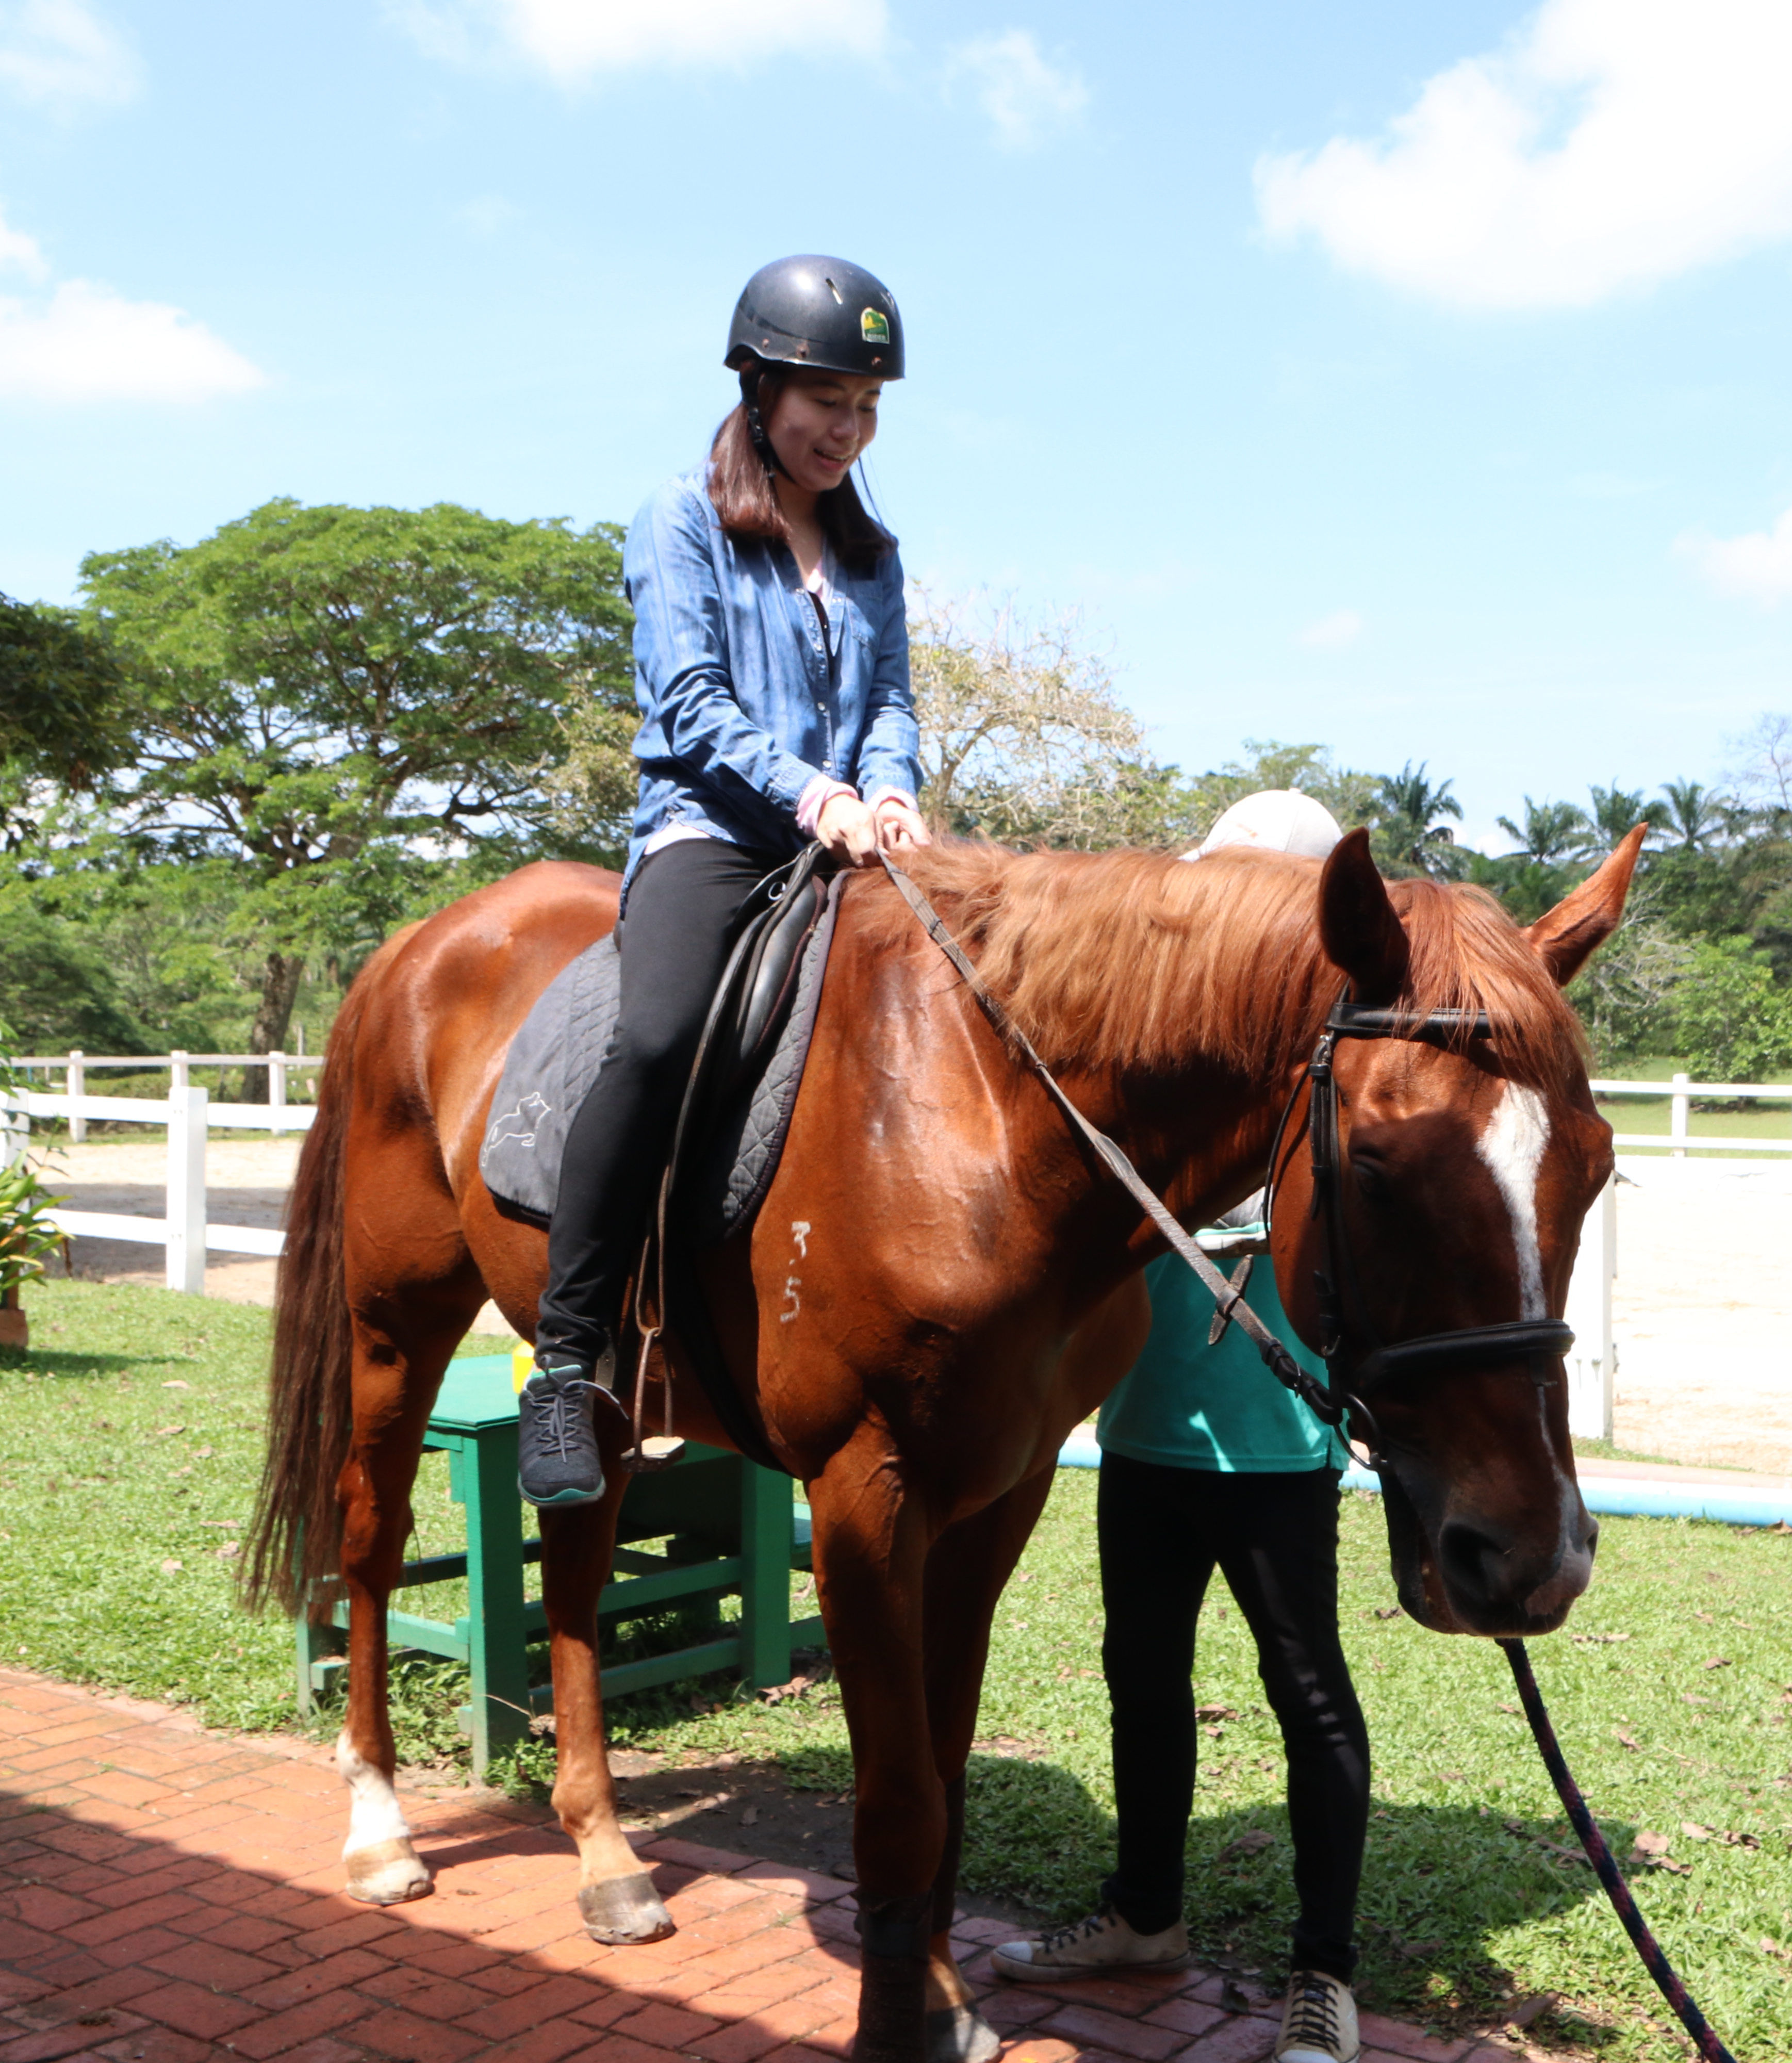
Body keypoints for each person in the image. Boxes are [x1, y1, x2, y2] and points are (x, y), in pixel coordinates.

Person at [519, 254, 928, 1508]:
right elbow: (689, 704)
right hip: (713, 830)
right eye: (826, 404)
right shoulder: (676, 517)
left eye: (865, 410)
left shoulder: (872, 550)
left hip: (851, 838)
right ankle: (565, 1358)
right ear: (758, 387)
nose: (845, 433)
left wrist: (895, 783)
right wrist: (817, 791)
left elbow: (895, 699)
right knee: (655, 1040)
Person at [988, 793, 1372, 2063]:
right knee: (1140, 1679)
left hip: (1275, 1455)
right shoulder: (1163, 1081)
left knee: (1306, 1693)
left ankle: (1325, 1972)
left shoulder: (1319, 1093)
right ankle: (1146, 1913)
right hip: (1144, 1439)